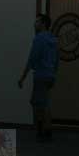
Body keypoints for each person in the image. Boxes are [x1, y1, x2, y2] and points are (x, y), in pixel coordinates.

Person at [18, 14, 59, 142]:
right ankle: (45, 129)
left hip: (41, 75)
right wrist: (53, 72)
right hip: (50, 75)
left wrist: (22, 77)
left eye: (37, 22)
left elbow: (32, 59)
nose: (34, 24)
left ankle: (43, 131)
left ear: (43, 24)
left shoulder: (39, 39)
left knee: (39, 103)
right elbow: (57, 59)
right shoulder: (53, 39)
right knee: (44, 102)